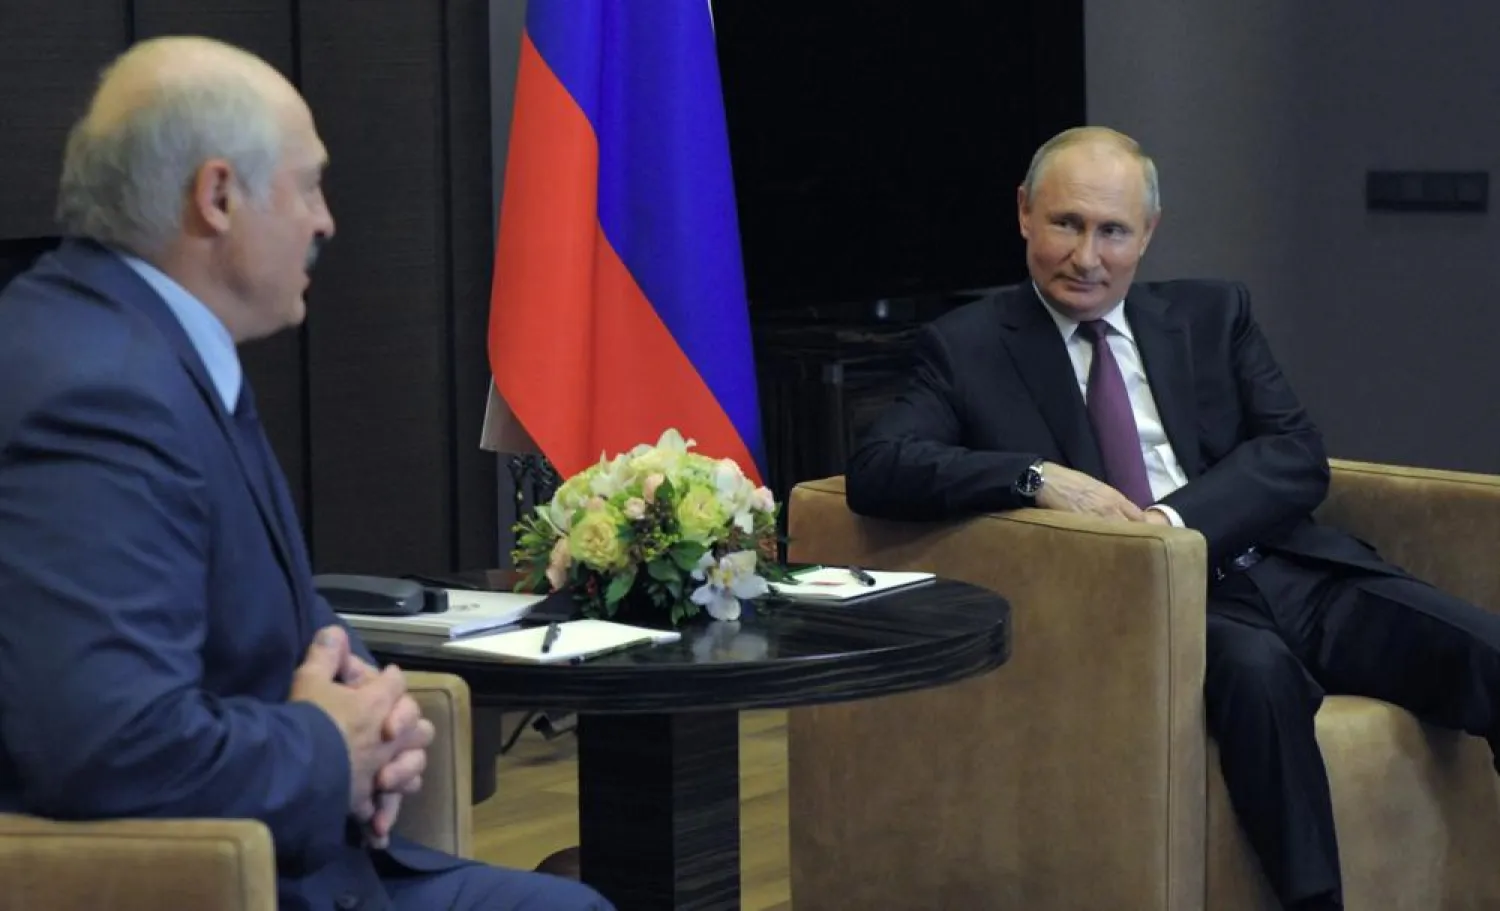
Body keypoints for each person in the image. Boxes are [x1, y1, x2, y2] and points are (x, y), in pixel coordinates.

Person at [0, 36, 611, 911]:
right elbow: (110, 745)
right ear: (216, 197)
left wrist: (375, 709)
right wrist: (331, 746)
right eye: (308, 183)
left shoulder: (142, 341)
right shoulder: (98, 391)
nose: (325, 221)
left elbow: (281, 616)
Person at [844, 125, 1500, 911]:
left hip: (1292, 571)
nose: (1087, 256)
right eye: (1066, 224)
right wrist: (1031, 476)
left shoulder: (1211, 315)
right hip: (1161, 608)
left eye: (1112, 231)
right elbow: (878, 468)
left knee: (1481, 649)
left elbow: (1296, 456)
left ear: (1146, 234)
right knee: (1259, 679)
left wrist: (1170, 517)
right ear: (1023, 212)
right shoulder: (966, 346)